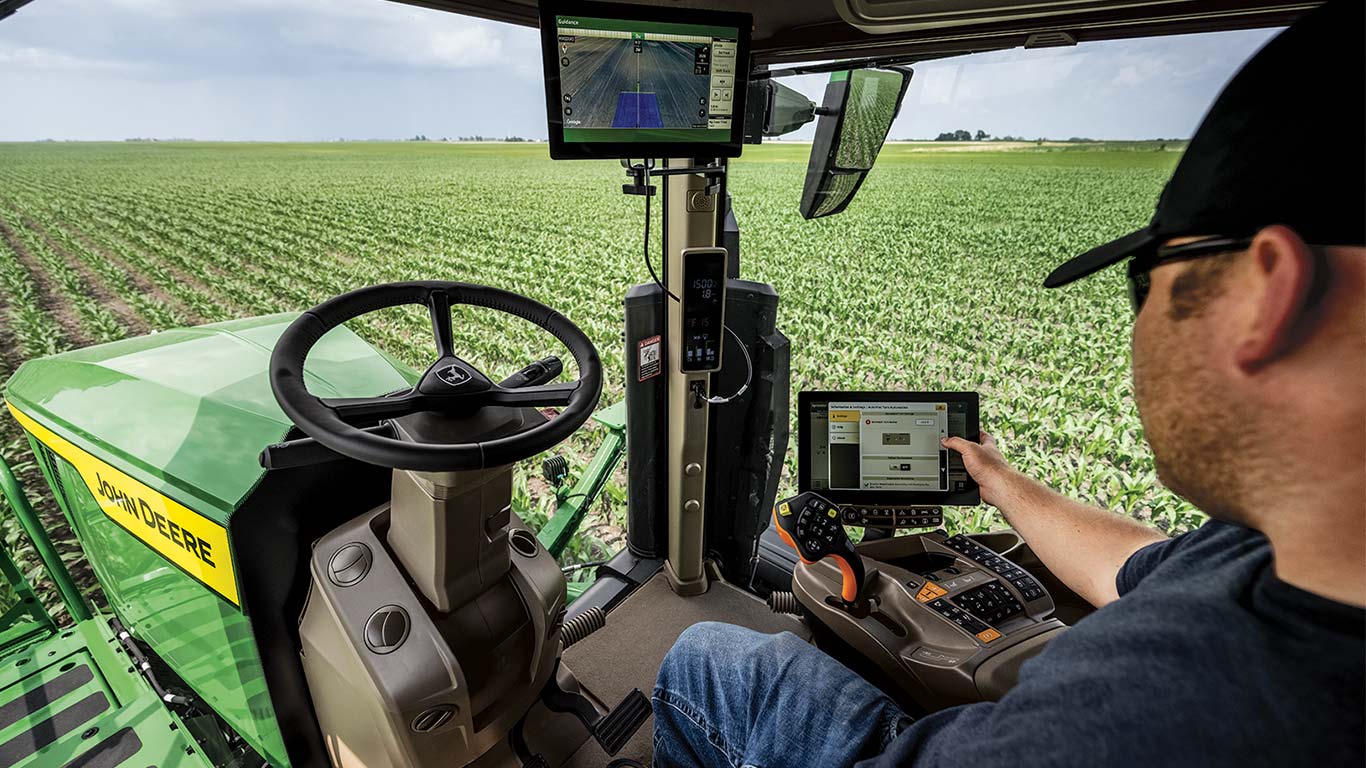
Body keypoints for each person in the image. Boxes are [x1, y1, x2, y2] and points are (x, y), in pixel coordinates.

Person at [651, 1, 1364, 765]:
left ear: (1264, 296)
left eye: (1143, 281)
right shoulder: (1283, 554)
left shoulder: (1148, 726)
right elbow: (1141, 566)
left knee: (715, 659)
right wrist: (1000, 482)